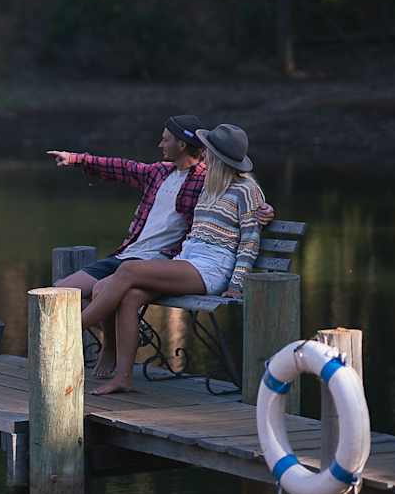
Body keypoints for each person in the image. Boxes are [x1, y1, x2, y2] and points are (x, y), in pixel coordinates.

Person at [80, 123, 267, 395]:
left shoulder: (246, 190)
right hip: (187, 261)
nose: (204, 154)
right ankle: (123, 378)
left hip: (212, 269)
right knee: (126, 295)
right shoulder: (209, 186)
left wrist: (237, 284)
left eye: (209, 151)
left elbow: (250, 242)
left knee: (129, 270)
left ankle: (67, 330)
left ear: (216, 156)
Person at [46, 115, 209, 377]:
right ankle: (113, 339)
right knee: (61, 292)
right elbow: (122, 167)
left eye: (165, 139)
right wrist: (76, 158)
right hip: (126, 254)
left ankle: (109, 347)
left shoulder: (205, 181)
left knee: (101, 291)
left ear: (181, 144)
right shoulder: (159, 172)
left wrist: (264, 210)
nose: (160, 144)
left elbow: (238, 191)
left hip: (156, 264)